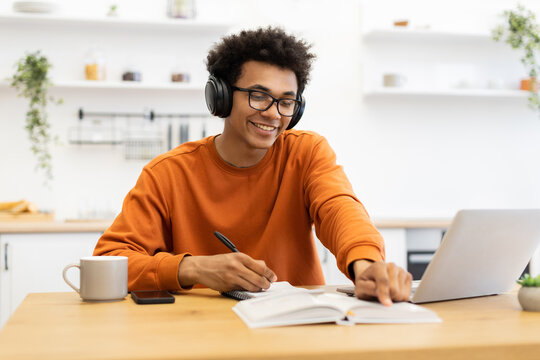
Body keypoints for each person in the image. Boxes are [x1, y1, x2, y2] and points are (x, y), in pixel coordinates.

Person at [94, 27, 412, 306]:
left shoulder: (306, 152)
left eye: (286, 101)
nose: (274, 113)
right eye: (259, 96)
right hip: (197, 331)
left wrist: (366, 263)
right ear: (220, 96)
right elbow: (110, 261)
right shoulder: (168, 173)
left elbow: (338, 208)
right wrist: (194, 268)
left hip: (296, 327)